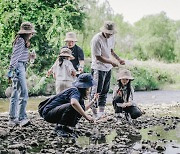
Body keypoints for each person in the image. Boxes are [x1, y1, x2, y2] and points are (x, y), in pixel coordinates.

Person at [41, 73, 98, 137]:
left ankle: (66, 127)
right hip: (48, 113)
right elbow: (73, 103)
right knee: (73, 106)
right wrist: (86, 117)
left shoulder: (79, 95)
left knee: (79, 107)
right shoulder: (75, 91)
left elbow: (82, 109)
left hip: (53, 113)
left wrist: (93, 101)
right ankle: (60, 128)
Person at [90, 21, 125, 120]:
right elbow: (98, 57)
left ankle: (101, 112)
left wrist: (118, 59)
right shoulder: (96, 39)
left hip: (107, 68)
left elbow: (111, 50)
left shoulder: (112, 37)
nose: (110, 35)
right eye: (108, 33)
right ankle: (94, 113)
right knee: (96, 91)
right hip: (98, 68)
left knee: (104, 91)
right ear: (103, 31)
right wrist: (111, 62)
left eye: (111, 33)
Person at [7, 21, 36, 127]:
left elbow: (20, 56)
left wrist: (29, 56)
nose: (32, 35)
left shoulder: (23, 41)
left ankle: (13, 118)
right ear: (27, 33)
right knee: (24, 93)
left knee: (15, 93)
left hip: (21, 66)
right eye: (31, 33)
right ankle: (21, 118)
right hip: (18, 67)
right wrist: (11, 71)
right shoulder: (20, 41)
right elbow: (15, 56)